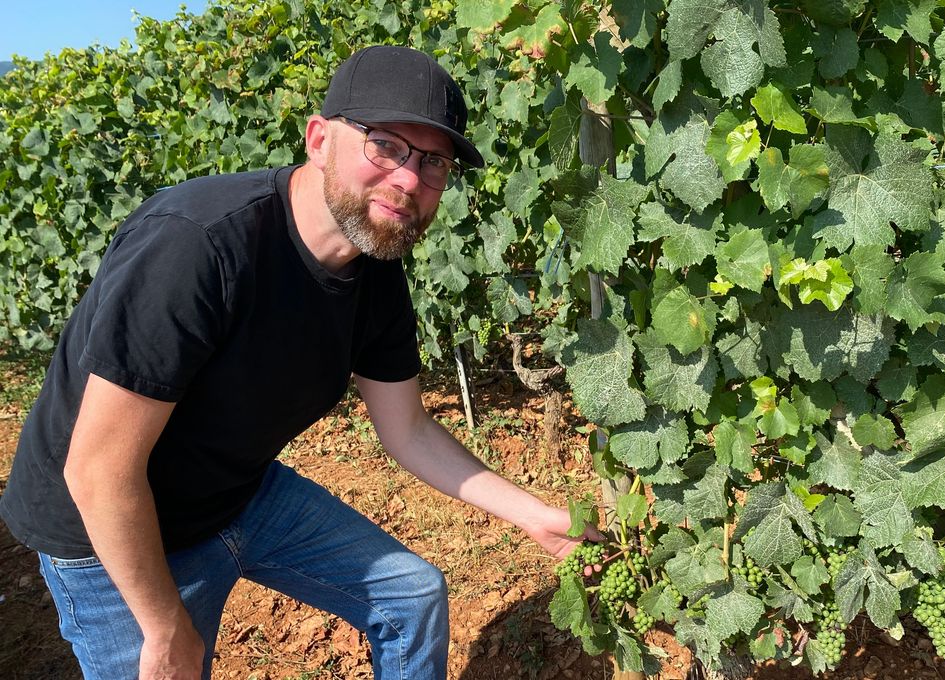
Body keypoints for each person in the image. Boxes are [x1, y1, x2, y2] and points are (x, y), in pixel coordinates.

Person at [0, 45, 597, 680]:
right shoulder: (196, 247)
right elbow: (98, 470)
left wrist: (537, 517)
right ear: (317, 139)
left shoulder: (376, 270)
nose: (409, 180)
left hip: (238, 494)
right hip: (113, 535)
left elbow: (408, 429)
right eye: (386, 146)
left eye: (433, 162)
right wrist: (165, 626)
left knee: (410, 596)